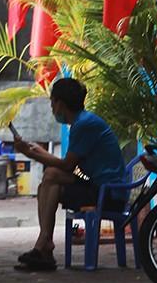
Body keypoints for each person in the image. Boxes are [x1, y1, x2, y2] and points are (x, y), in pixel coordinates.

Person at [12, 77, 128, 271]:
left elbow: (66, 166)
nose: (51, 109)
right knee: (48, 181)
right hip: (97, 186)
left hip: (108, 194)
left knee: (50, 177)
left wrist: (29, 153)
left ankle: (44, 245)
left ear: (60, 105)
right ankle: (44, 246)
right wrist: (34, 151)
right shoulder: (83, 121)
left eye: (51, 103)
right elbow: (66, 165)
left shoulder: (83, 125)